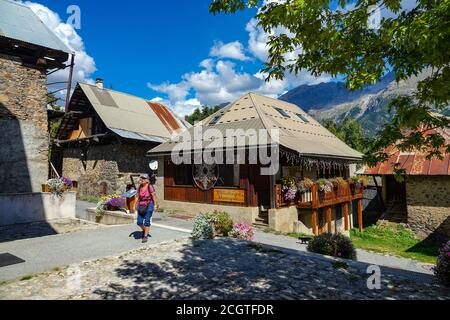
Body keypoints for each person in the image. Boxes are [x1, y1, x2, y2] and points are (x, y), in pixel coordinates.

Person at [135, 173, 158, 243]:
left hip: (149, 204)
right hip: (141, 205)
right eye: (141, 178)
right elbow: (137, 196)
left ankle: (145, 236)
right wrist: (134, 205)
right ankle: (145, 230)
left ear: (147, 180)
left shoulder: (150, 186)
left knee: (147, 221)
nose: (142, 179)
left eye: (144, 178)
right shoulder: (139, 187)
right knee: (139, 222)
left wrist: (155, 205)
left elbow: (154, 195)